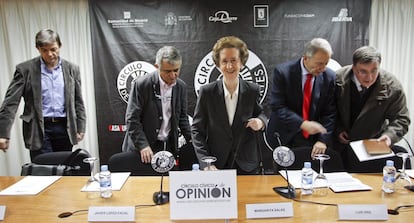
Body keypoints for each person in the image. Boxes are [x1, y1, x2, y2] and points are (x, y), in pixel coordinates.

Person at [0, 29, 86, 160]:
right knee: (43, 171)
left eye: (53, 49)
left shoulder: (72, 69)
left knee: (65, 171)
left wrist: (80, 127)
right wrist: (3, 133)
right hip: (38, 128)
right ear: (38, 49)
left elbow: (78, 101)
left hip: (65, 128)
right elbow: (10, 103)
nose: (50, 54)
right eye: (44, 50)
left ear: (60, 46)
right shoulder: (25, 70)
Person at [191, 36, 267, 174]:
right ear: (218, 64)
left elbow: (262, 114)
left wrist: (261, 122)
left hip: (248, 165)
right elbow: (197, 130)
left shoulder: (253, 90)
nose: (229, 66)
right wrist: (205, 162)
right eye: (224, 61)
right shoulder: (207, 92)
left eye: (234, 61)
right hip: (216, 165)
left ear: (242, 63)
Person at [266, 38, 342, 171]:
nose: (323, 68)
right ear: (306, 58)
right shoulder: (284, 72)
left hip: (312, 139)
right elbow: (277, 106)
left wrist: (323, 140)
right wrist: (302, 124)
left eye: (326, 63)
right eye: (319, 63)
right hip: (285, 135)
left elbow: (329, 112)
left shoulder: (329, 77)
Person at [335, 46, 410, 172]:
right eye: (363, 71)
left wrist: (389, 136)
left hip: (372, 148)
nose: (369, 77)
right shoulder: (336, 79)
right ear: (353, 68)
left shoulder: (393, 86)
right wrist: (337, 129)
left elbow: (401, 119)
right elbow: (326, 112)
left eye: (374, 71)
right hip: (338, 148)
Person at [122, 46, 192, 172]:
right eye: (167, 71)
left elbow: (182, 118)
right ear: (156, 67)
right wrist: (143, 146)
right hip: (143, 148)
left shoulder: (181, 86)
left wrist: (192, 140)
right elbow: (132, 119)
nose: (173, 75)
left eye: (176, 70)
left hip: (167, 147)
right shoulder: (142, 85)